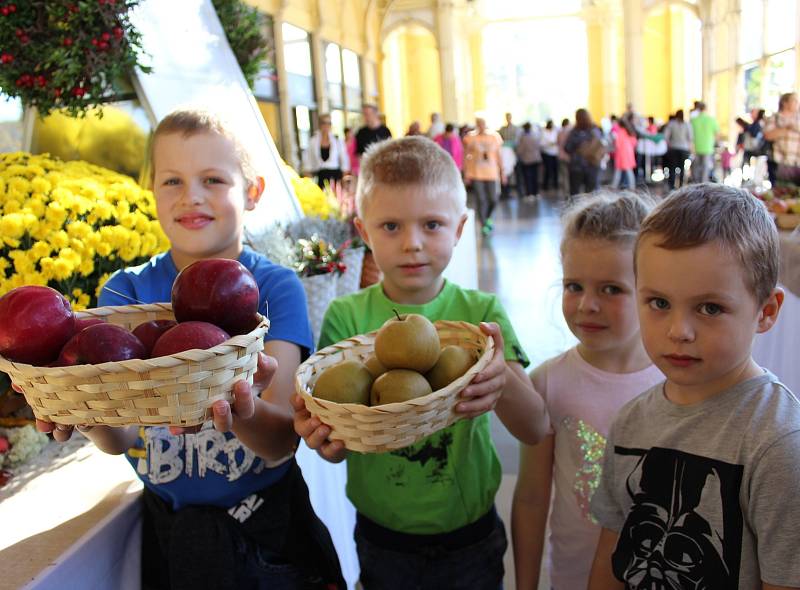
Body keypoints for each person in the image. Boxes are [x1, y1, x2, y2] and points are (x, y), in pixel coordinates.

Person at [36, 110, 345, 590]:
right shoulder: (127, 294)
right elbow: (122, 438)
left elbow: (283, 441)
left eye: (213, 179)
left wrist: (241, 410)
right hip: (173, 532)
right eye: (172, 181)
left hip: (267, 527)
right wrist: (89, 415)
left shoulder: (273, 288)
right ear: (152, 191)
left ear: (253, 192)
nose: (191, 196)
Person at [292, 136, 549, 590]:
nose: (412, 243)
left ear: (460, 228)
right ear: (364, 231)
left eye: (432, 224)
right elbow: (337, 442)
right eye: (391, 227)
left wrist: (500, 380)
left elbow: (534, 427)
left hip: (470, 535)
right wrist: (325, 439)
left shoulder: (481, 314)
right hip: (380, 536)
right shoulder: (346, 318)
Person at [588, 184, 799, 589]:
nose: (679, 332)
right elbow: (611, 557)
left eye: (710, 308)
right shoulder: (631, 421)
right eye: (659, 303)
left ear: (766, 311)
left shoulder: (779, 443)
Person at [512, 191, 663, 590]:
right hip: (573, 577)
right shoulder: (547, 382)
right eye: (573, 285)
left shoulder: (677, 385)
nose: (587, 305)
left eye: (611, 289)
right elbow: (531, 498)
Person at [463, 116, 505, 235]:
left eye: (483, 123)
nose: (481, 125)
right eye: (478, 123)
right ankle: (483, 223)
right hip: (476, 173)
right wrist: (466, 172)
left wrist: (502, 172)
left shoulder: (494, 137)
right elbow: (466, 156)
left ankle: (488, 218)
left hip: (492, 172)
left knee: (493, 199)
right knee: (481, 199)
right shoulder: (470, 138)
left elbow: (499, 155)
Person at [303, 113, 350, 188]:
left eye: (329, 123)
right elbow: (308, 161)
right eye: (324, 123)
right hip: (320, 177)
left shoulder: (337, 141)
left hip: (335, 177)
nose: (326, 126)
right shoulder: (313, 141)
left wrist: (344, 179)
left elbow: (344, 160)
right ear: (319, 124)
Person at [565, 108, 604, 196]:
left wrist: (578, 146)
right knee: (592, 194)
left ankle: (576, 209)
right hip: (593, 164)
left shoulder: (574, 132)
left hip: (577, 166)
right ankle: (592, 210)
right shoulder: (595, 130)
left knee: (575, 194)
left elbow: (567, 148)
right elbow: (601, 145)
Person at [764, 91, 800, 185]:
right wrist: (787, 128)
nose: (797, 103)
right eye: (794, 100)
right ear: (784, 102)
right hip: (780, 163)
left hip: (797, 163)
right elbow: (768, 135)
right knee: (782, 192)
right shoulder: (775, 118)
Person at [689, 101, 719, 183]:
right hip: (708, 147)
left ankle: (696, 183)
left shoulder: (693, 120)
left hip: (696, 147)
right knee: (705, 167)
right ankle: (703, 182)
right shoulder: (711, 120)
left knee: (696, 167)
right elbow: (717, 134)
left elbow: (690, 135)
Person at [663, 109, 693, 190]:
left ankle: (671, 187)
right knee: (682, 168)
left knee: (672, 168)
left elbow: (666, 136)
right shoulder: (687, 125)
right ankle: (681, 186)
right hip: (684, 149)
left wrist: (669, 144)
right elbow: (690, 138)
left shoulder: (671, 124)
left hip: (673, 148)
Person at [516, 121, 542, 198]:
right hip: (536, 159)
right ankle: (536, 193)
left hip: (526, 160)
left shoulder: (523, 138)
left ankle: (529, 194)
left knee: (528, 178)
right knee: (535, 177)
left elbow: (520, 150)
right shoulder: (535, 136)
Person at [610, 118, 637, 189]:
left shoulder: (620, 132)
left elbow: (617, 144)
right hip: (629, 154)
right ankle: (632, 186)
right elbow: (634, 142)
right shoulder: (629, 132)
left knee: (619, 171)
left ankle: (614, 186)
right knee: (628, 171)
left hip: (621, 154)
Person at [540, 119, 559, 191]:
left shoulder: (555, 131)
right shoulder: (544, 132)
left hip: (554, 153)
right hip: (546, 153)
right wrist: (549, 144)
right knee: (548, 170)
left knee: (555, 170)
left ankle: (555, 184)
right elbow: (541, 143)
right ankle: (545, 185)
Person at [557, 118, 573, 195]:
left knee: (565, 176)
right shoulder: (571, 132)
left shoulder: (559, 132)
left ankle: (566, 192)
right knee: (571, 175)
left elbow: (557, 143)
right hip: (570, 157)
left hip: (561, 156)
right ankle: (571, 192)